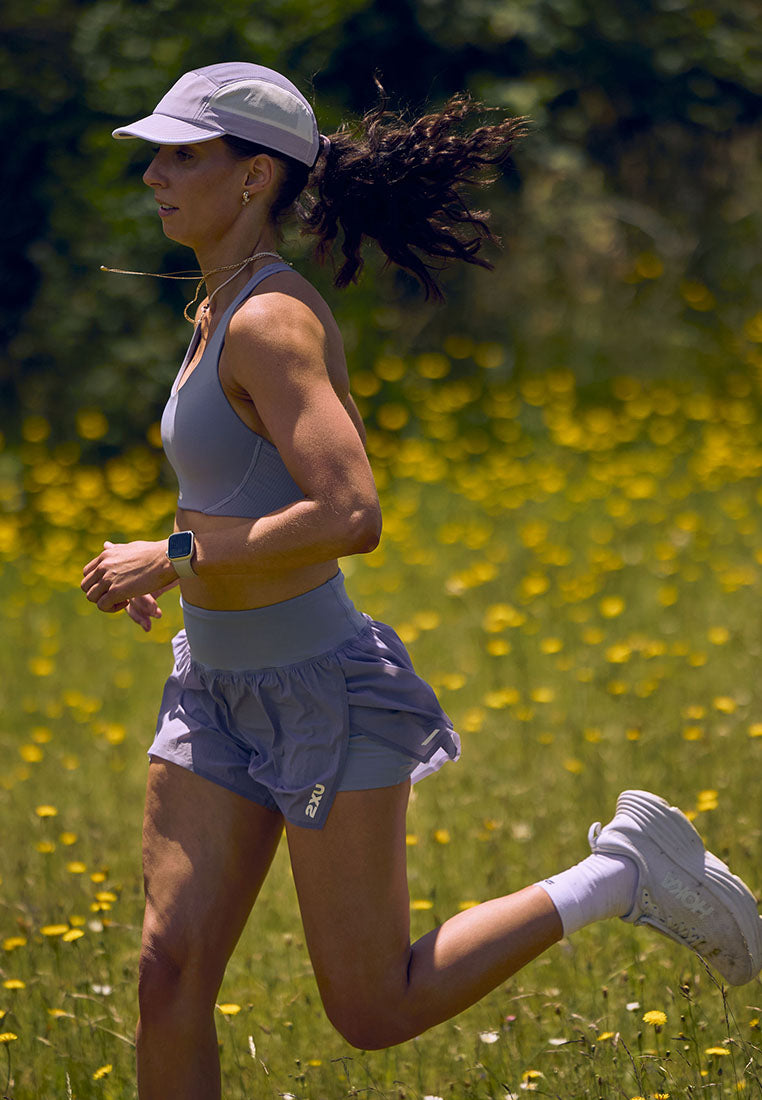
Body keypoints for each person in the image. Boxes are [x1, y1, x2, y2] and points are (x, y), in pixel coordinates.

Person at [81, 63, 762, 1100]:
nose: (155, 176)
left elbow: (353, 512)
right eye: (157, 155)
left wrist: (172, 558)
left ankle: (621, 873)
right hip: (213, 689)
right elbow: (242, 483)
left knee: (373, 1006)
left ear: (256, 176)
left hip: (320, 688)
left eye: (183, 155)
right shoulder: (211, 312)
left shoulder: (271, 320)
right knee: (165, 976)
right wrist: (168, 563)